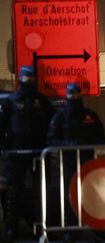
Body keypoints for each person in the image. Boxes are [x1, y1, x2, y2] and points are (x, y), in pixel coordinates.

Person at [0, 65, 55, 241]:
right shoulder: (11, 101)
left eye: (32, 79)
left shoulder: (43, 101)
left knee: (41, 190)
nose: (30, 81)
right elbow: (2, 125)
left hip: (39, 151)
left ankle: (40, 225)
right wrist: (4, 146)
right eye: (27, 78)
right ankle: (11, 227)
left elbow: (53, 123)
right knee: (14, 192)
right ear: (20, 80)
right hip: (16, 152)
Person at [47, 83, 105, 241]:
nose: (74, 96)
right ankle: (71, 231)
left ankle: (97, 231)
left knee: (92, 196)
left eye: (76, 92)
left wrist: (89, 145)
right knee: (69, 198)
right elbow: (52, 138)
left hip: (88, 162)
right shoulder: (60, 117)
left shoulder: (90, 115)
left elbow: (101, 137)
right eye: (70, 93)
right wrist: (67, 146)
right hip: (68, 163)